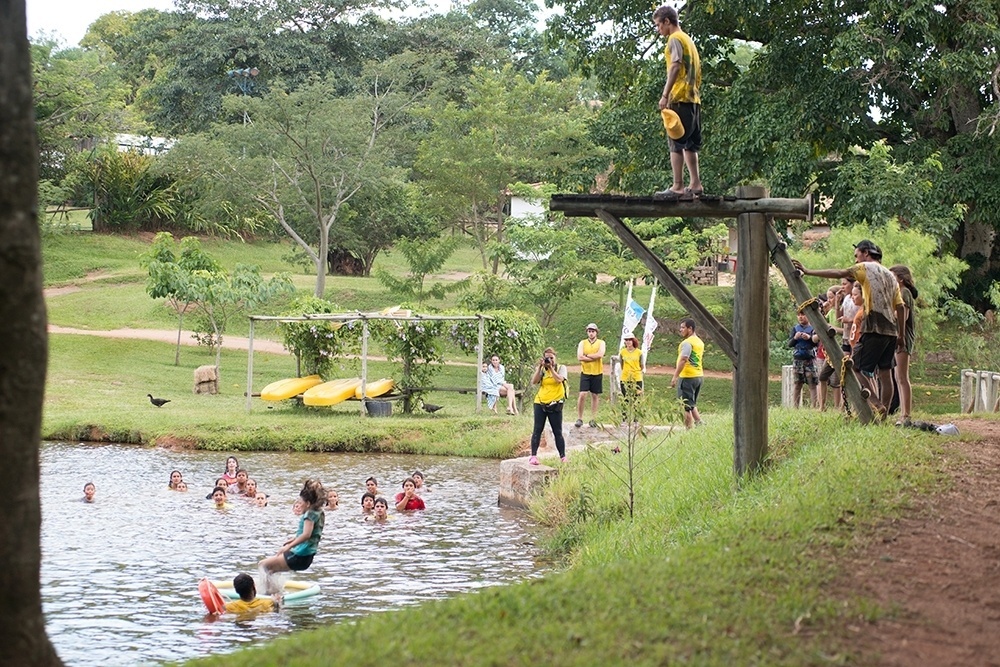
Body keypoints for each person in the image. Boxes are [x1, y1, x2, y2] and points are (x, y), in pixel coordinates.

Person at [792, 240, 905, 419]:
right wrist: (902, 335)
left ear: (866, 253)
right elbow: (900, 307)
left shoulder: (865, 267)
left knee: (854, 367)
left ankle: (877, 404)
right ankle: (885, 413)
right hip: (891, 329)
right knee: (885, 372)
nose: (855, 260)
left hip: (873, 326)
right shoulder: (891, 276)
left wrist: (808, 271)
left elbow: (839, 272)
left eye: (856, 255)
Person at [652, 4, 703, 200]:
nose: (658, 30)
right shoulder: (688, 39)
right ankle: (695, 183)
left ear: (667, 21)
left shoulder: (674, 39)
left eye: (658, 25)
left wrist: (665, 95)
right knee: (690, 143)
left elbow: (675, 66)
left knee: (676, 142)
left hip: (680, 97)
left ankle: (677, 186)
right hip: (694, 99)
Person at [259, 479, 326, 588]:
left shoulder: (309, 515)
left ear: (308, 503)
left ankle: (266, 596)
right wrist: (293, 539)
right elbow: (313, 533)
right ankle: (275, 592)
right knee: (271, 571)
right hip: (307, 556)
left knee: (262, 565)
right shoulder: (319, 512)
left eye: (301, 502)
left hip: (300, 555)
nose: (299, 505)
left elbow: (306, 535)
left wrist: (289, 546)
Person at [530, 347, 569, 464]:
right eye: (547, 358)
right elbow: (534, 381)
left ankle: (563, 456)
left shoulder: (561, 368)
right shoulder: (543, 370)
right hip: (540, 402)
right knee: (537, 429)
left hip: (555, 403)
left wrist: (551, 368)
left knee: (557, 431)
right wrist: (539, 368)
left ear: (555, 358)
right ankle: (533, 456)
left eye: (552, 358)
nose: (550, 360)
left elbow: (559, 379)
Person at [890, 265, 918, 426]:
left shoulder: (904, 293)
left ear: (900, 279)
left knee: (902, 376)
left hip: (903, 338)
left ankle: (906, 413)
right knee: (896, 376)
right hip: (896, 338)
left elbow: (903, 316)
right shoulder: (898, 293)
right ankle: (902, 412)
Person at [670, 318, 704, 429]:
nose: (680, 330)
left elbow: (684, 358)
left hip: (687, 376)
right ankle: (700, 424)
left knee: (685, 406)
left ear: (690, 329)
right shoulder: (699, 341)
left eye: (683, 327)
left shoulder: (687, 343)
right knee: (691, 402)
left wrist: (675, 376)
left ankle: (688, 430)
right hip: (698, 375)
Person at [575, 323, 606, 428]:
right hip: (586, 372)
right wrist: (592, 357)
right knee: (582, 394)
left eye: (593, 331)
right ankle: (580, 418)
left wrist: (586, 356)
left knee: (595, 395)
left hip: (597, 372)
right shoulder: (582, 343)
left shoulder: (601, 343)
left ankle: (593, 418)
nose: (591, 333)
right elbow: (579, 357)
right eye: (589, 331)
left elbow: (600, 354)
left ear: (596, 332)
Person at [788, 311, 819, 408]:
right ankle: (795, 407)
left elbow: (816, 343)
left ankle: (814, 406)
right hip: (798, 359)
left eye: (803, 315)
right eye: (799, 315)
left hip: (810, 359)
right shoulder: (795, 329)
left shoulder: (813, 328)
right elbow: (789, 344)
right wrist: (795, 338)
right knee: (797, 383)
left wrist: (809, 338)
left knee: (812, 383)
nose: (801, 317)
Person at [618, 335, 644, 423]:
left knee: (636, 397)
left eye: (630, 340)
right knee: (625, 397)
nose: (628, 342)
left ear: (633, 341)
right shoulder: (622, 352)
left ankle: (636, 418)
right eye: (626, 340)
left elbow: (642, 365)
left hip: (636, 377)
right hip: (625, 377)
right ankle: (624, 417)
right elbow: (621, 364)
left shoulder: (639, 352)